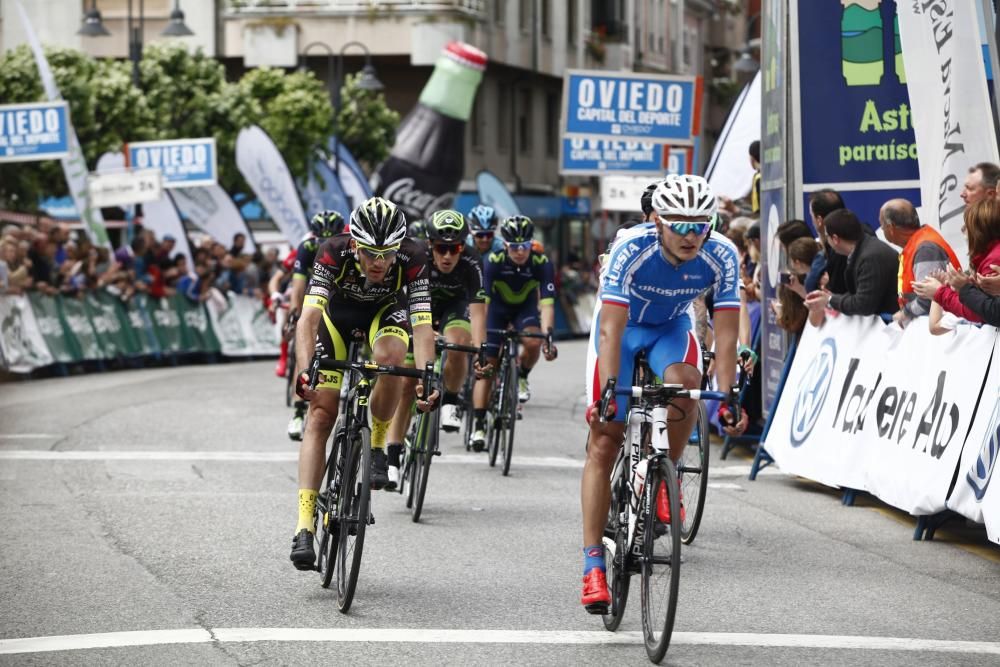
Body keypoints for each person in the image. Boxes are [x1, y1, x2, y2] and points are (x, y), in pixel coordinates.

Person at [579, 174, 746, 613]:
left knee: (690, 387)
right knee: (603, 440)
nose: (692, 235)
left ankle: (666, 473)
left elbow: (726, 336)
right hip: (624, 328)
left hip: (671, 328)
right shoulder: (631, 249)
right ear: (657, 221)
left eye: (701, 225)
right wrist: (609, 390)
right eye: (681, 225)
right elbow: (612, 328)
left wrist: (727, 397)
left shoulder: (722, 254)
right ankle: (593, 564)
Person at [289, 197, 438, 570]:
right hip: (337, 319)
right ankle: (304, 525)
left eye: (387, 254)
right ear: (354, 244)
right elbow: (307, 320)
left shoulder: (415, 257)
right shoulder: (331, 252)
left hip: (386, 313)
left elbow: (421, 326)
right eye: (371, 253)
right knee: (322, 414)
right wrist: (306, 369)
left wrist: (428, 374)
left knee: (390, 362)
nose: (379, 262)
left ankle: (377, 444)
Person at [384, 210, 490, 482]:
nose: (447, 256)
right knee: (409, 384)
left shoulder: (472, 260)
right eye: (441, 248)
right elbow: (399, 297)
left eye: (454, 248)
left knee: (458, 343)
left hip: (454, 309)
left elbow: (478, 313)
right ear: (429, 244)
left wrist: (481, 350)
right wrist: (417, 329)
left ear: (463, 246)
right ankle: (393, 456)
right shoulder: (417, 255)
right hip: (419, 310)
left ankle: (451, 402)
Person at [469, 215, 558, 450]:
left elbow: (547, 304)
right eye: (515, 247)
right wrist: (481, 339)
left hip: (524, 310)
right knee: (487, 365)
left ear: (531, 244)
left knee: (533, 341)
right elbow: (483, 305)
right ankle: (478, 424)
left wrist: (548, 336)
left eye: (525, 246)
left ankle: (521, 377)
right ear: (506, 245)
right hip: (496, 310)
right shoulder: (494, 262)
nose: (520, 252)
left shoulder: (542, 263)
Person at [282, 210, 346, 441]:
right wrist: (295, 314)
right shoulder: (307, 247)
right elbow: (298, 285)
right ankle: (299, 414)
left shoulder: (349, 246)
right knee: (306, 354)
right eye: (321, 241)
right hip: (314, 294)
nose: (325, 245)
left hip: (340, 297)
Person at [913, 198, 1000, 325]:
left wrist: (941, 293)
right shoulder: (988, 256)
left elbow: (985, 313)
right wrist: (970, 288)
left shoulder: (993, 259)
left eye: (967, 226)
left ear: (980, 231)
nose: (963, 230)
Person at [878, 198, 961, 327]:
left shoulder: (925, 249)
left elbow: (928, 300)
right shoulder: (919, 243)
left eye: (882, 226)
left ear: (891, 228)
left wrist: (905, 313)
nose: (883, 231)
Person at [804, 209, 899, 318]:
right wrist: (829, 297)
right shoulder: (862, 251)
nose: (826, 240)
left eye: (827, 236)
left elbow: (863, 304)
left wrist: (829, 300)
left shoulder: (869, 258)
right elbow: (858, 295)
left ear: (835, 239)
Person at [804, 189, 847, 292]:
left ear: (819, 220)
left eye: (811, 216)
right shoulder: (859, 235)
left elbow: (810, 286)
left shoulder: (838, 250)